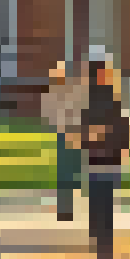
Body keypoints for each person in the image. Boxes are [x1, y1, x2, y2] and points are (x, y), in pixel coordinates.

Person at [77, 48, 130, 259]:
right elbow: (85, 131)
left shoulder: (108, 97)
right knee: (99, 211)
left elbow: (119, 126)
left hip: (106, 160)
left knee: (102, 211)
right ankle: (103, 256)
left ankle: (104, 258)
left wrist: (118, 146)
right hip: (98, 160)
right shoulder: (95, 99)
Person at [43, 60, 89, 222]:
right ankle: (65, 209)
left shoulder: (75, 91)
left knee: (76, 170)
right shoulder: (56, 93)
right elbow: (49, 114)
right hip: (66, 134)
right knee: (66, 173)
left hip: (74, 133)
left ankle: (70, 207)